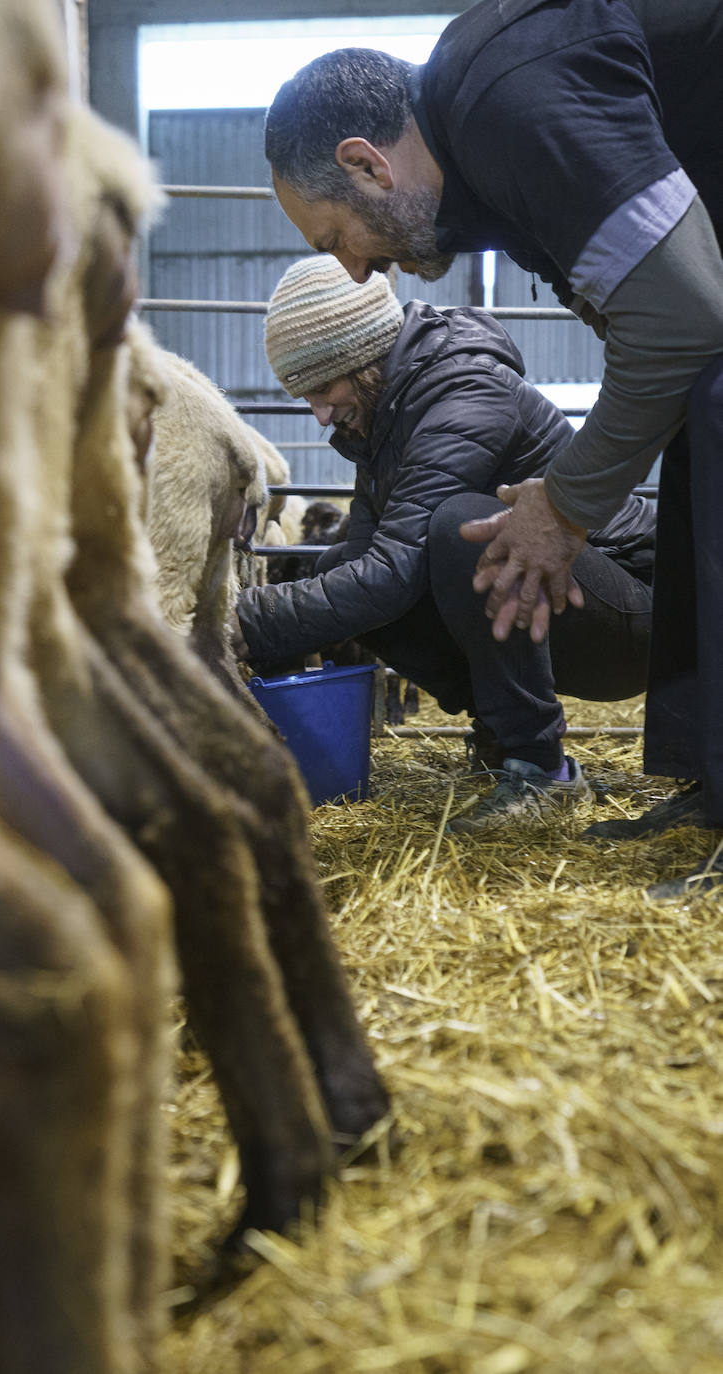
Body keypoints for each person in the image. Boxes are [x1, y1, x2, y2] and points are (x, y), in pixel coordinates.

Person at [263, 2, 723, 892]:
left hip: (618, 571)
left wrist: (568, 502)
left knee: (713, 396)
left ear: (367, 164)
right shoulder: (489, 166)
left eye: (336, 239)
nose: (355, 271)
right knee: (703, 407)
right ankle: (712, 791)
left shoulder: (505, 102)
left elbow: (680, 316)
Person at [234, 255, 655, 832]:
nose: (319, 414)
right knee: (342, 561)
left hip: (633, 615)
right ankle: (502, 738)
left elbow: (390, 576)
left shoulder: (464, 390)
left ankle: (541, 771)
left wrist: (233, 619)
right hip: (560, 611)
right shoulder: (385, 418)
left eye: (321, 388)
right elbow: (364, 563)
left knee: (464, 527)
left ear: (361, 357)